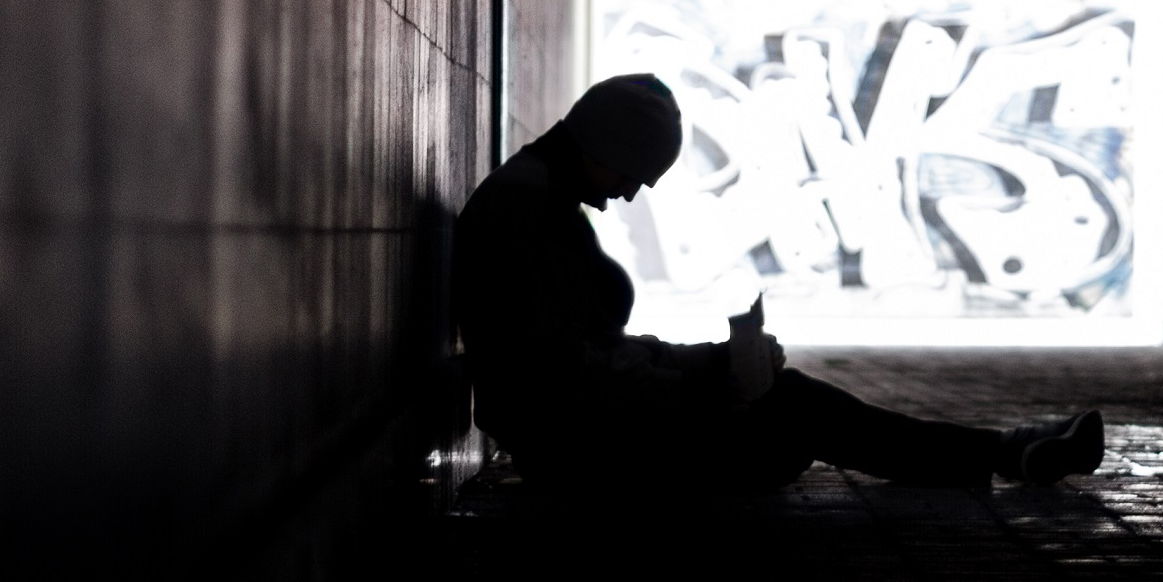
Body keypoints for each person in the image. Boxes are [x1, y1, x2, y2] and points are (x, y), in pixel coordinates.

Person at [453, 73, 1107, 494]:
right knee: (793, 411)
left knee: (791, 407)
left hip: (579, 439)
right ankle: (1005, 453)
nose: (630, 193)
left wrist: (711, 364)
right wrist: (704, 394)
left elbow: (588, 354)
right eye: (634, 174)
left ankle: (1003, 454)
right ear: (604, 147)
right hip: (581, 456)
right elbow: (571, 380)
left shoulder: (535, 201)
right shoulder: (528, 219)